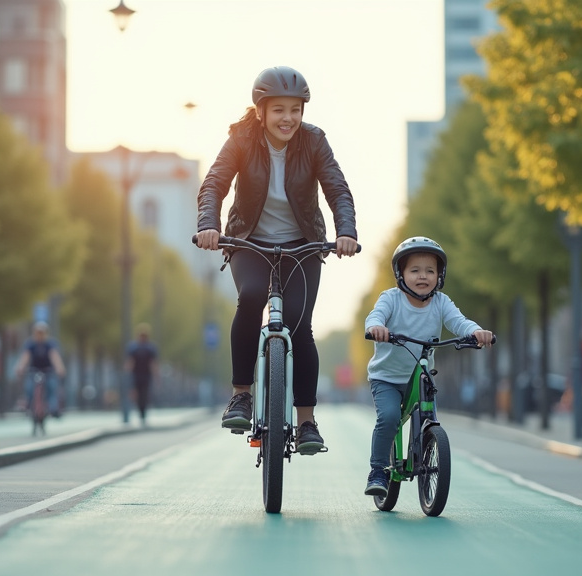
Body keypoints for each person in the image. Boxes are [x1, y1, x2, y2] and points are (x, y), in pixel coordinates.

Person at [194, 65, 358, 454]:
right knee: (251, 297)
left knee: (300, 324)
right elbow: (215, 182)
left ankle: (306, 423)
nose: (288, 118)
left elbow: (337, 188)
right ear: (260, 111)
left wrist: (346, 231)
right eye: (279, 110)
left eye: (295, 110)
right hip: (249, 240)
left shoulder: (314, 141)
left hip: (302, 245)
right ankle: (241, 396)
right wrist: (208, 224)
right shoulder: (240, 139)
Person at [363, 237, 494, 497]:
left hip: (420, 375)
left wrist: (476, 332)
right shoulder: (391, 298)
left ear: (439, 276)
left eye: (430, 271)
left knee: (429, 417)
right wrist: (376, 327)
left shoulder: (441, 302)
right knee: (389, 418)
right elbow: (375, 315)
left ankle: (425, 450)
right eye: (415, 270)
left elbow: (459, 322)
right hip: (387, 378)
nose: (423, 276)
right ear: (401, 274)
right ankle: (377, 470)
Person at [14, 321, 66, 417]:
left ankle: (53, 408)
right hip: (33, 370)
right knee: (29, 387)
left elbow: (54, 356)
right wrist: (20, 367)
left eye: (42, 332)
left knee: (51, 387)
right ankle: (28, 405)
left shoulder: (50, 344)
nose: (40, 334)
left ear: (46, 333)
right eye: (38, 332)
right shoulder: (30, 344)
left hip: (48, 370)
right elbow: (25, 356)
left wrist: (59, 367)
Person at [124, 323, 159, 426]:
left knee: (144, 394)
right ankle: (140, 412)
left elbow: (153, 363)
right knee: (137, 394)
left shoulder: (150, 348)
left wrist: (156, 375)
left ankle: (143, 413)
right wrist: (127, 372)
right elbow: (130, 361)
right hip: (136, 375)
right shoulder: (133, 347)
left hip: (146, 375)